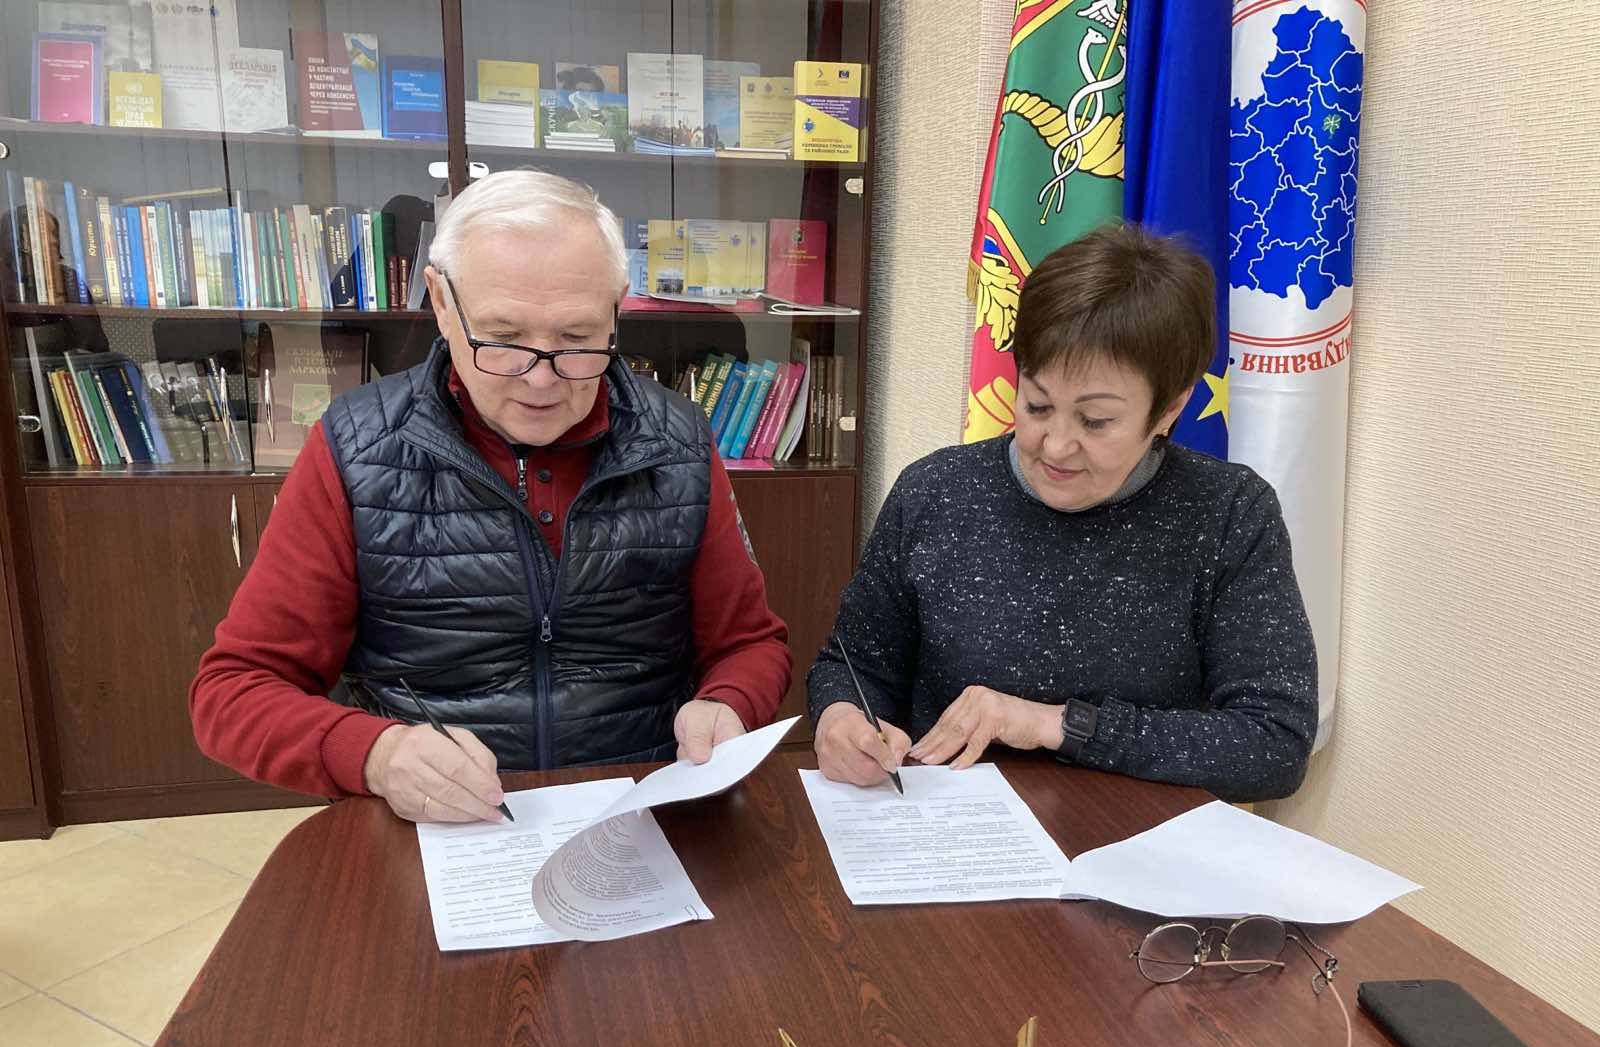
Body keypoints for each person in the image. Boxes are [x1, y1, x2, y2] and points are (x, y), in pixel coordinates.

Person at [191, 169, 790, 823]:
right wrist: (375, 754)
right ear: (442, 303)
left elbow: (750, 645)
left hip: (638, 809)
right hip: (438, 824)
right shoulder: (355, 449)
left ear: (616, 308)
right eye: (503, 339)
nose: (541, 379)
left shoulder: (677, 440)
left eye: (576, 339)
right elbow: (233, 692)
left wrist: (728, 703)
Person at [808, 224, 1316, 803]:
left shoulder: (1228, 512)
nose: (1055, 446)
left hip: (1139, 838)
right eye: (1037, 405)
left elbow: (1274, 745)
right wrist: (841, 717)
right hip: (949, 833)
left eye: (1095, 421)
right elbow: (854, 664)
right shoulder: (936, 490)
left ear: (1168, 411)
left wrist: (1056, 724)